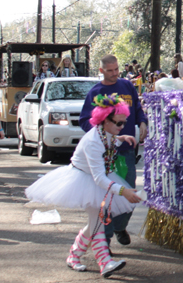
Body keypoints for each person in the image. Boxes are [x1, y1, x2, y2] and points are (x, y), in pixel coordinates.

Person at [26, 94, 142, 276]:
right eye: (118, 123)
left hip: (95, 180)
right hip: (85, 181)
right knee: (97, 224)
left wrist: (121, 138)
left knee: (94, 224)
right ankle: (105, 263)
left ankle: (74, 256)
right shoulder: (93, 142)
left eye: (123, 123)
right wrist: (123, 191)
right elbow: (99, 178)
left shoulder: (106, 133)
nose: (121, 127)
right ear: (104, 120)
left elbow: (109, 145)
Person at [80, 55, 147, 248]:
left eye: (116, 69)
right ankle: (105, 241)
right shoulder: (96, 92)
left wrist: (142, 121)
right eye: (110, 70)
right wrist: (103, 132)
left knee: (131, 193)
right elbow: (85, 121)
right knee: (107, 197)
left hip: (127, 151)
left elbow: (138, 108)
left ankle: (120, 226)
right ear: (101, 71)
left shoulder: (127, 86)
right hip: (107, 154)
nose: (115, 73)